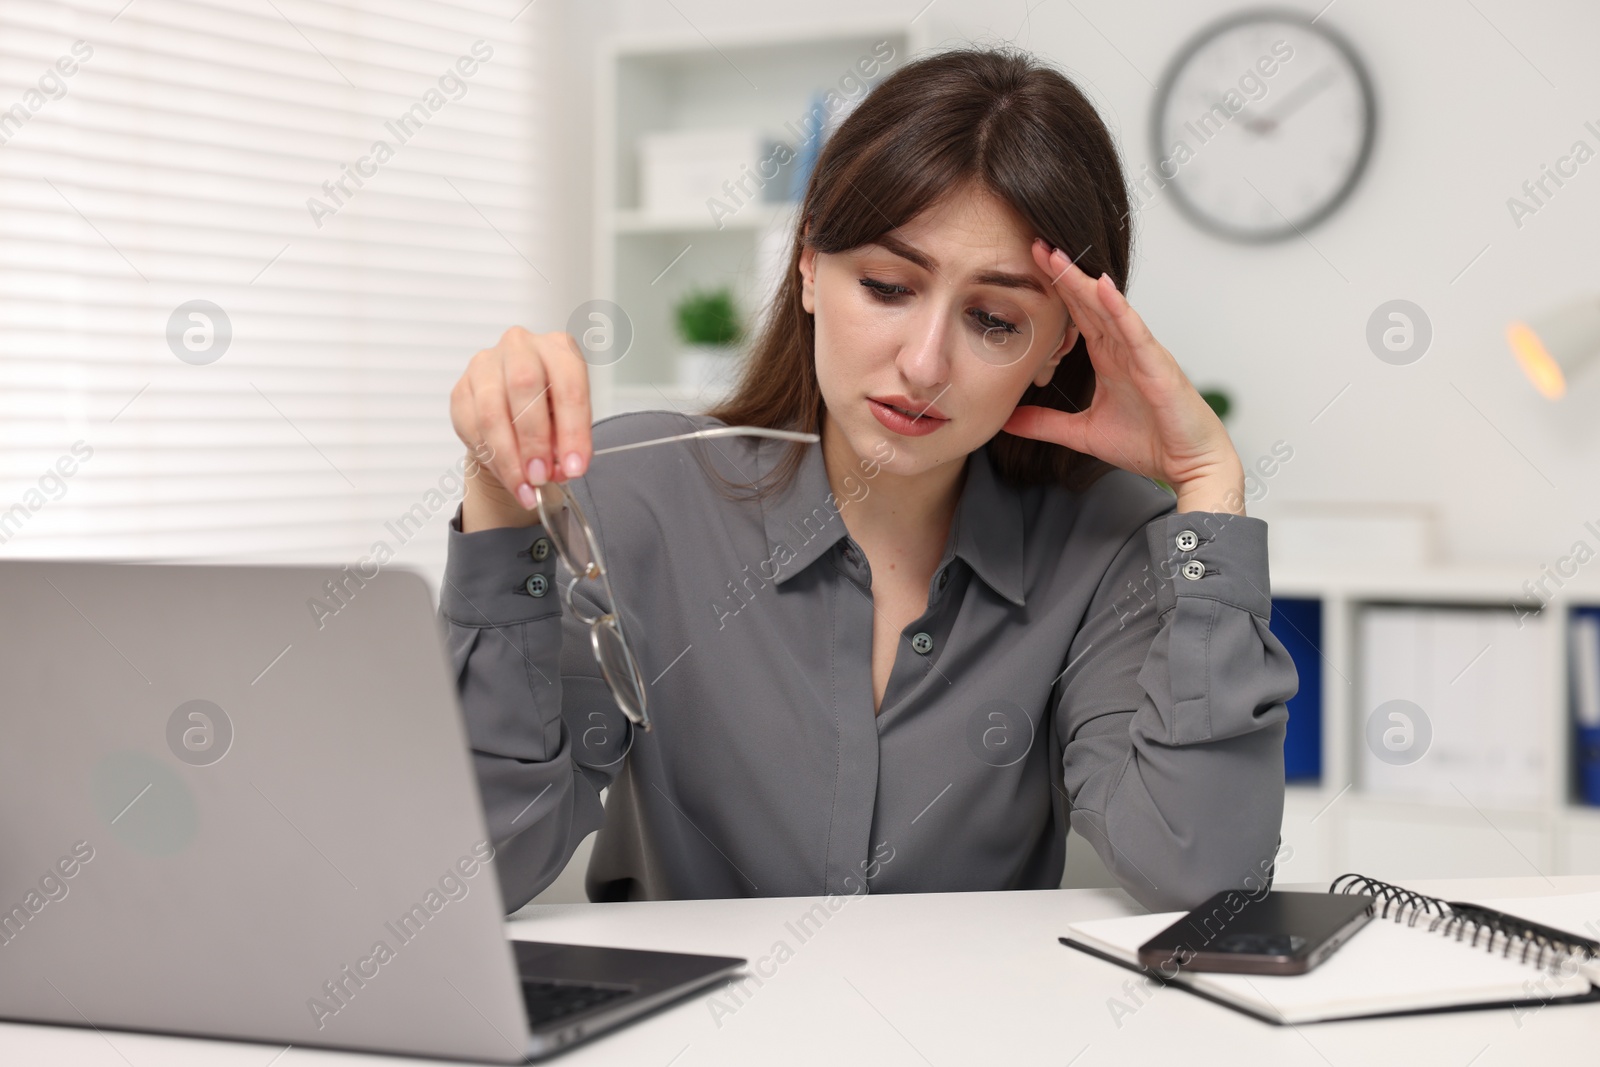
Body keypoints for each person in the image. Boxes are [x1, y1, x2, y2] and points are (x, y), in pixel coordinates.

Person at [440, 45, 1298, 914]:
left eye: (995, 319)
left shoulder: (1105, 545)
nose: (925, 364)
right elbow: (478, 865)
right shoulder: (634, 498)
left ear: (1059, 347)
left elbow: (1203, 877)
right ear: (809, 264)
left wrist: (1207, 482)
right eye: (888, 286)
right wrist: (499, 502)